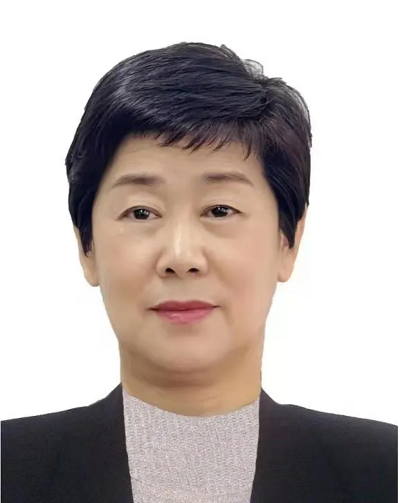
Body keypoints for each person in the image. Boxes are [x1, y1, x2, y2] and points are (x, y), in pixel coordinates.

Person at [1, 42, 397, 503]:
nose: (181, 255)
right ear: (86, 246)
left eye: (220, 209)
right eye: (141, 212)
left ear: (287, 241)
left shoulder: (383, 471)